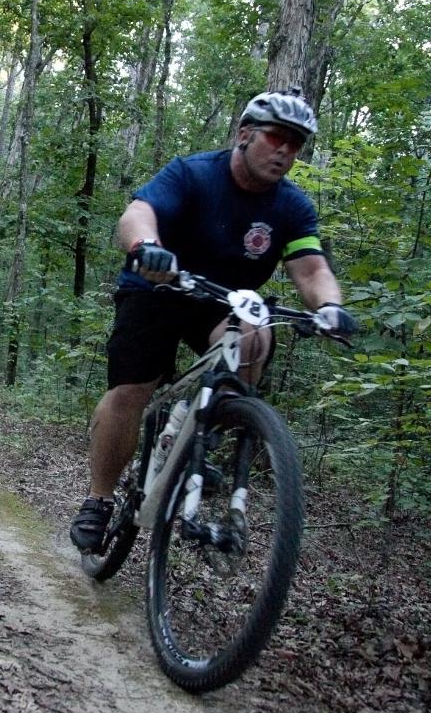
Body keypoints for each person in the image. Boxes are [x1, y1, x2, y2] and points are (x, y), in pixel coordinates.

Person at [70, 88, 357, 553]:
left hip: (224, 301)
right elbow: (138, 213)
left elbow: (311, 269)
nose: (285, 150)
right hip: (160, 287)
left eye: (296, 143)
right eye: (276, 137)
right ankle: (99, 499)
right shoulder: (193, 173)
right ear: (245, 134)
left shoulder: (292, 206)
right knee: (131, 391)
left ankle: (197, 431)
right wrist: (145, 247)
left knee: (256, 337)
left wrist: (329, 307)